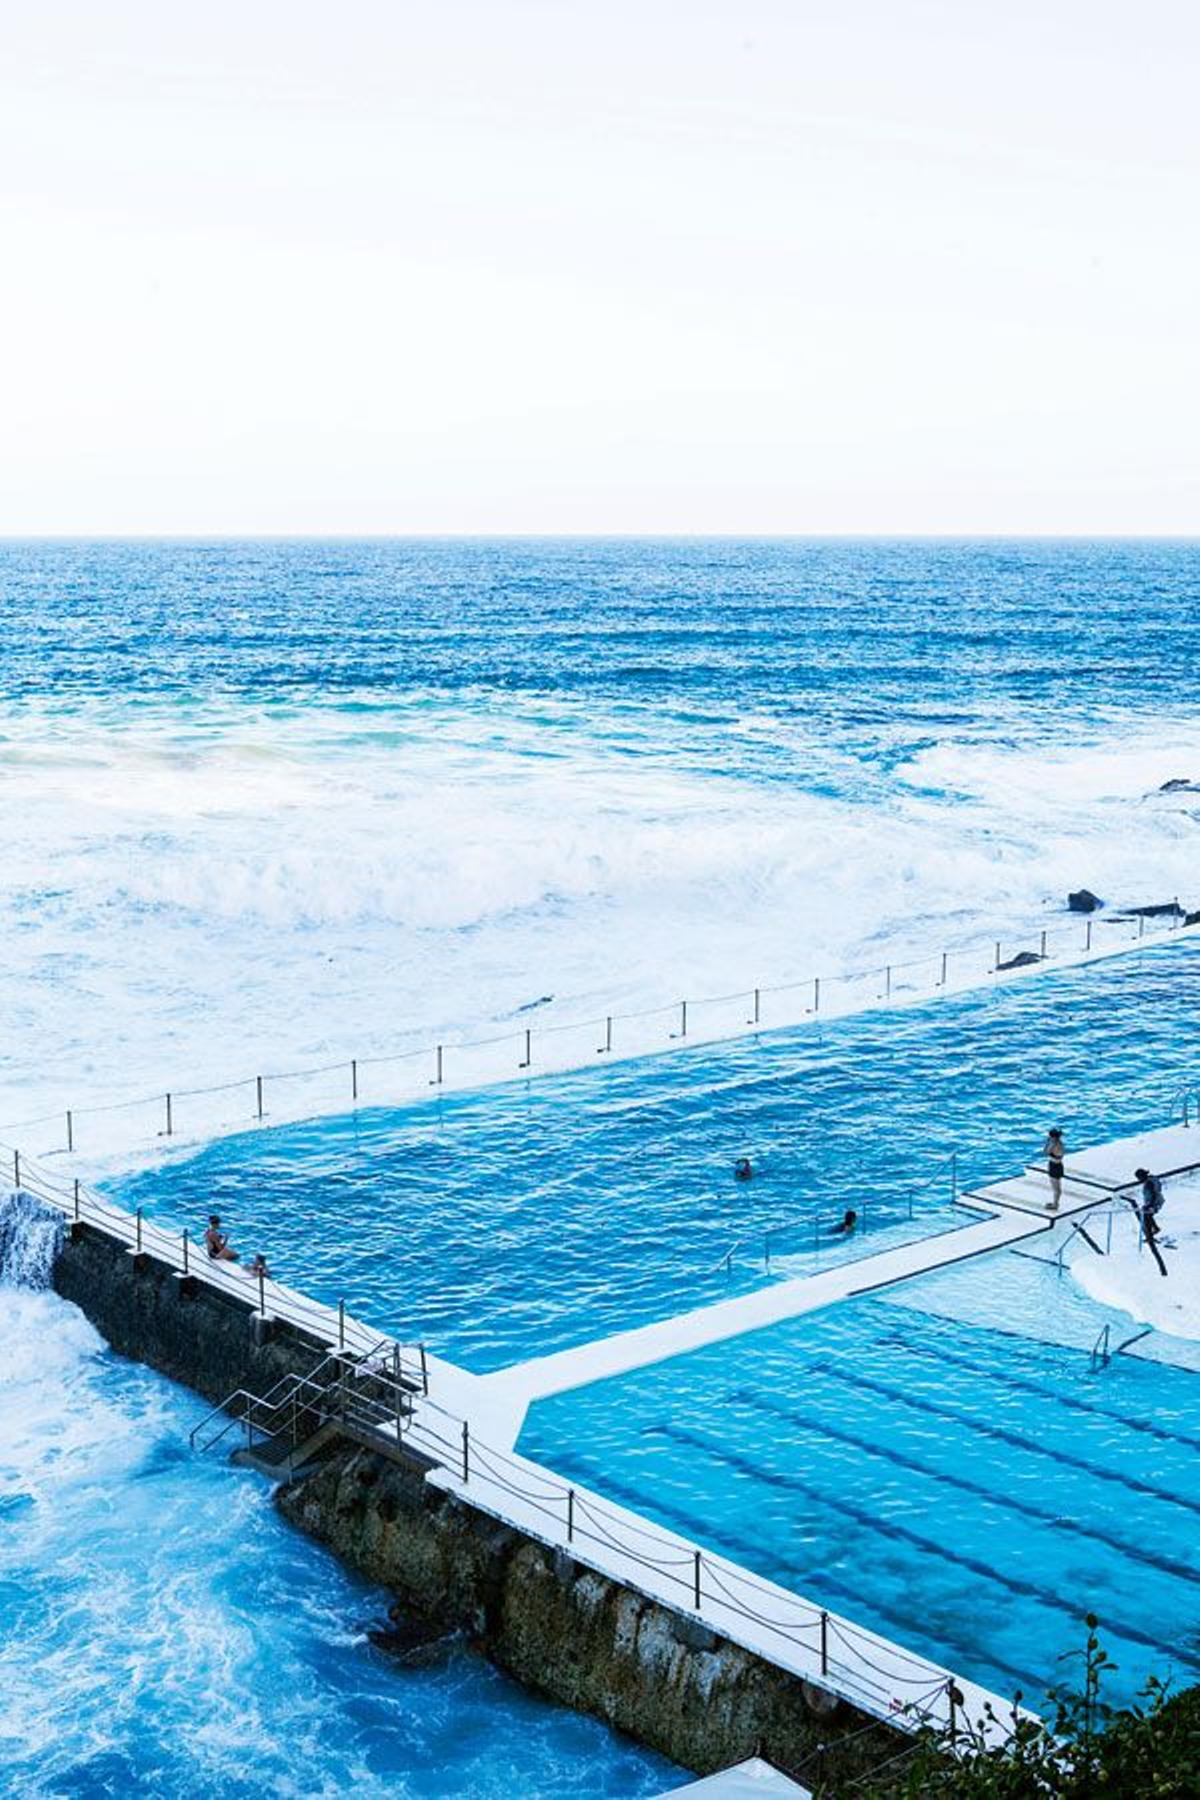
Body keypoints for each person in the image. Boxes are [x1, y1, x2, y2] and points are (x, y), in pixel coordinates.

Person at [1131, 1168, 1168, 1277]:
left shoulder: (1148, 1184)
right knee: (1148, 1216)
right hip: (1157, 1201)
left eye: (1138, 1178)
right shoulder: (1152, 1179)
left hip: (1154, 1203)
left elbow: (1152, 1196)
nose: (1138, 1180)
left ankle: (1151, 1233)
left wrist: (1148, 1206)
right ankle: (1155, 1229)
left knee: (1146, 1216)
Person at [1042, 1128, 1066, 1212]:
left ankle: (1055, 1204)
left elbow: (1045, 1152)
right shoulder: (1060, 1143)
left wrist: (1047, 1142)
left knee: (1056, 1188)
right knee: (1058, 1187)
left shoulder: (1053, 1144)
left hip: (1054, 1165)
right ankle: (1055, 1203)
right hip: (1059, 1165)